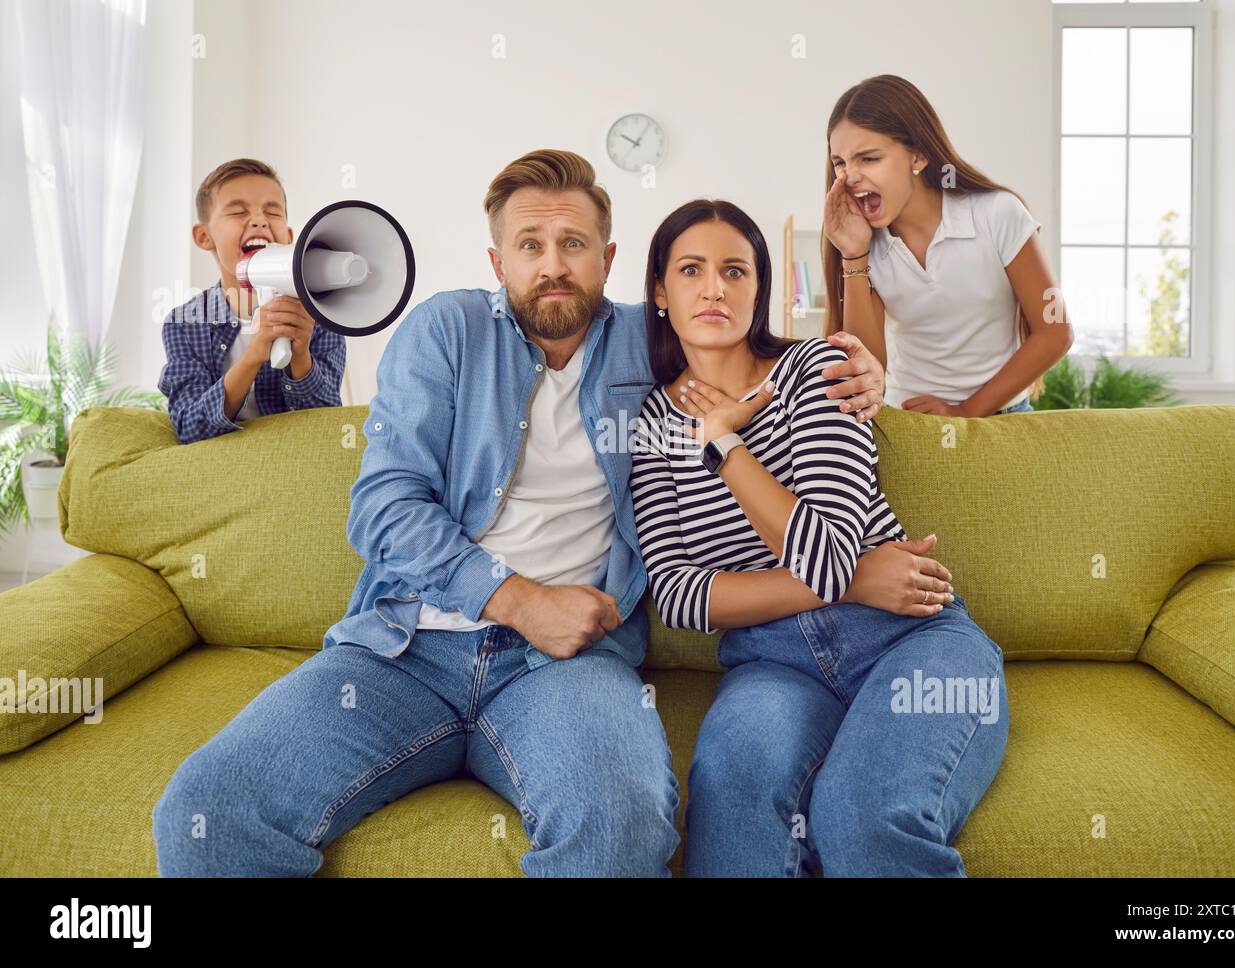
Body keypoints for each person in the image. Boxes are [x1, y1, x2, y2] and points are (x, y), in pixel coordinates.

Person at [151, 149, 887, 877]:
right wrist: (518, 600)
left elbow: (760, 354)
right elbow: (383, 508)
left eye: (573, 245)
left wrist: (863, 366)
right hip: (404, 648)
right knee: (208, 809)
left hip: (569, 667)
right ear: (498, 262)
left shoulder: (654, 340)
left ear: (609, 258)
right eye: (530, 246)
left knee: (619, 827)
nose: (553, 265)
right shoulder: (447, 331)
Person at [630, 197, 1009, 876]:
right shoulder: (653, 424)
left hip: (908, 636)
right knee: (732, 803)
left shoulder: (820, 370)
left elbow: (827, 552)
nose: (714, 287)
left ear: (759, 288)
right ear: (660, 291)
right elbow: (681, 596)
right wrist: (862, 576)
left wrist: (723, 444)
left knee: (859, 815)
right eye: (691, 270)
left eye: (736, 271)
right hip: (772, 664)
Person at [821, 75, 1074, 416]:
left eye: (868, 158)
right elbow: (866, 365)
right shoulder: (867, 245)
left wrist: (963, 412)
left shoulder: (999, 213)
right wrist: (853, 254)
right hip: (908, 418)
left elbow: (1056, 332)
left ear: (918, 156)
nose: (849, 176)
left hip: (1001, 418)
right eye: (840, 162)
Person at [157, 158, 346, 444]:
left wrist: (301, 357)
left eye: (273, 212)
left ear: (289, 237)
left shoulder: (320, 317)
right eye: (237, 211)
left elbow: (326, 426)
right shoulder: (184, 323)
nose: (259, 220)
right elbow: (190, 426)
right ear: (204, 236)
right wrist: (254, 354)